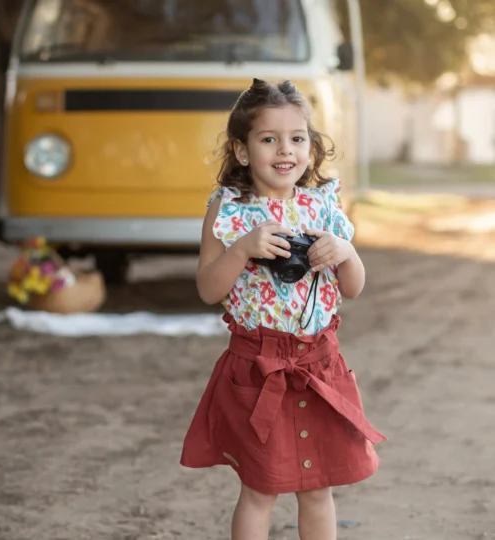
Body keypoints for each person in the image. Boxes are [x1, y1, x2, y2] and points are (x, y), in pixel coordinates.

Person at [180, 78, 386, 540]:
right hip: (258, 367)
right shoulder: (230, 209)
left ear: (311, 149)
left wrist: (346, 252)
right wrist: (241, 249)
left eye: (297, 138)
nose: (284, 150)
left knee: (317, 489)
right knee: (259, 489)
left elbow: (353, 288)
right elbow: (209, 290)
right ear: (242, 150)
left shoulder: (324, 205)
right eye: (269, 139)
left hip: (319, 363)